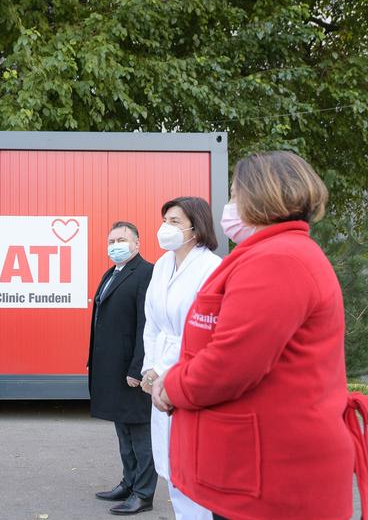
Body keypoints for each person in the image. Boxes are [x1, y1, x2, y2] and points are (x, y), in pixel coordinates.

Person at [152, 151, 358, 520]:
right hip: (261, 469)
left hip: (273, 478)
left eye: (234, 194)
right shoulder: (273, 253)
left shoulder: (278, 260)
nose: (228, 205)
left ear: (261, 197)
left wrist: (173, 386)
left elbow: (231, 364)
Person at [140, 197, 221, 520]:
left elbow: (196, 326)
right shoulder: (161, 265)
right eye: (165, 220)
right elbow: (152, 323)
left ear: (195, 226)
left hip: (190, 370)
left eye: (174, 221)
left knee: (192, 466)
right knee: (170, 466)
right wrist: (149, 368)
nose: (166, 227)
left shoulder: (211, 267)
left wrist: (161, 370)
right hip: (159, 371)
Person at [88, 221, 156, 516]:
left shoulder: (145, 273)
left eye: (122, 239)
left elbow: (146, 324)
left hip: (132, 369)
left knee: (139, 432)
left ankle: (143, 493)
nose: (115, 244)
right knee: (123, 429)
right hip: (112, 368)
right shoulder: (111, 273)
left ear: (137, 244)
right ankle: (128, 482)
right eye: (112, 239)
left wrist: (138, 368)